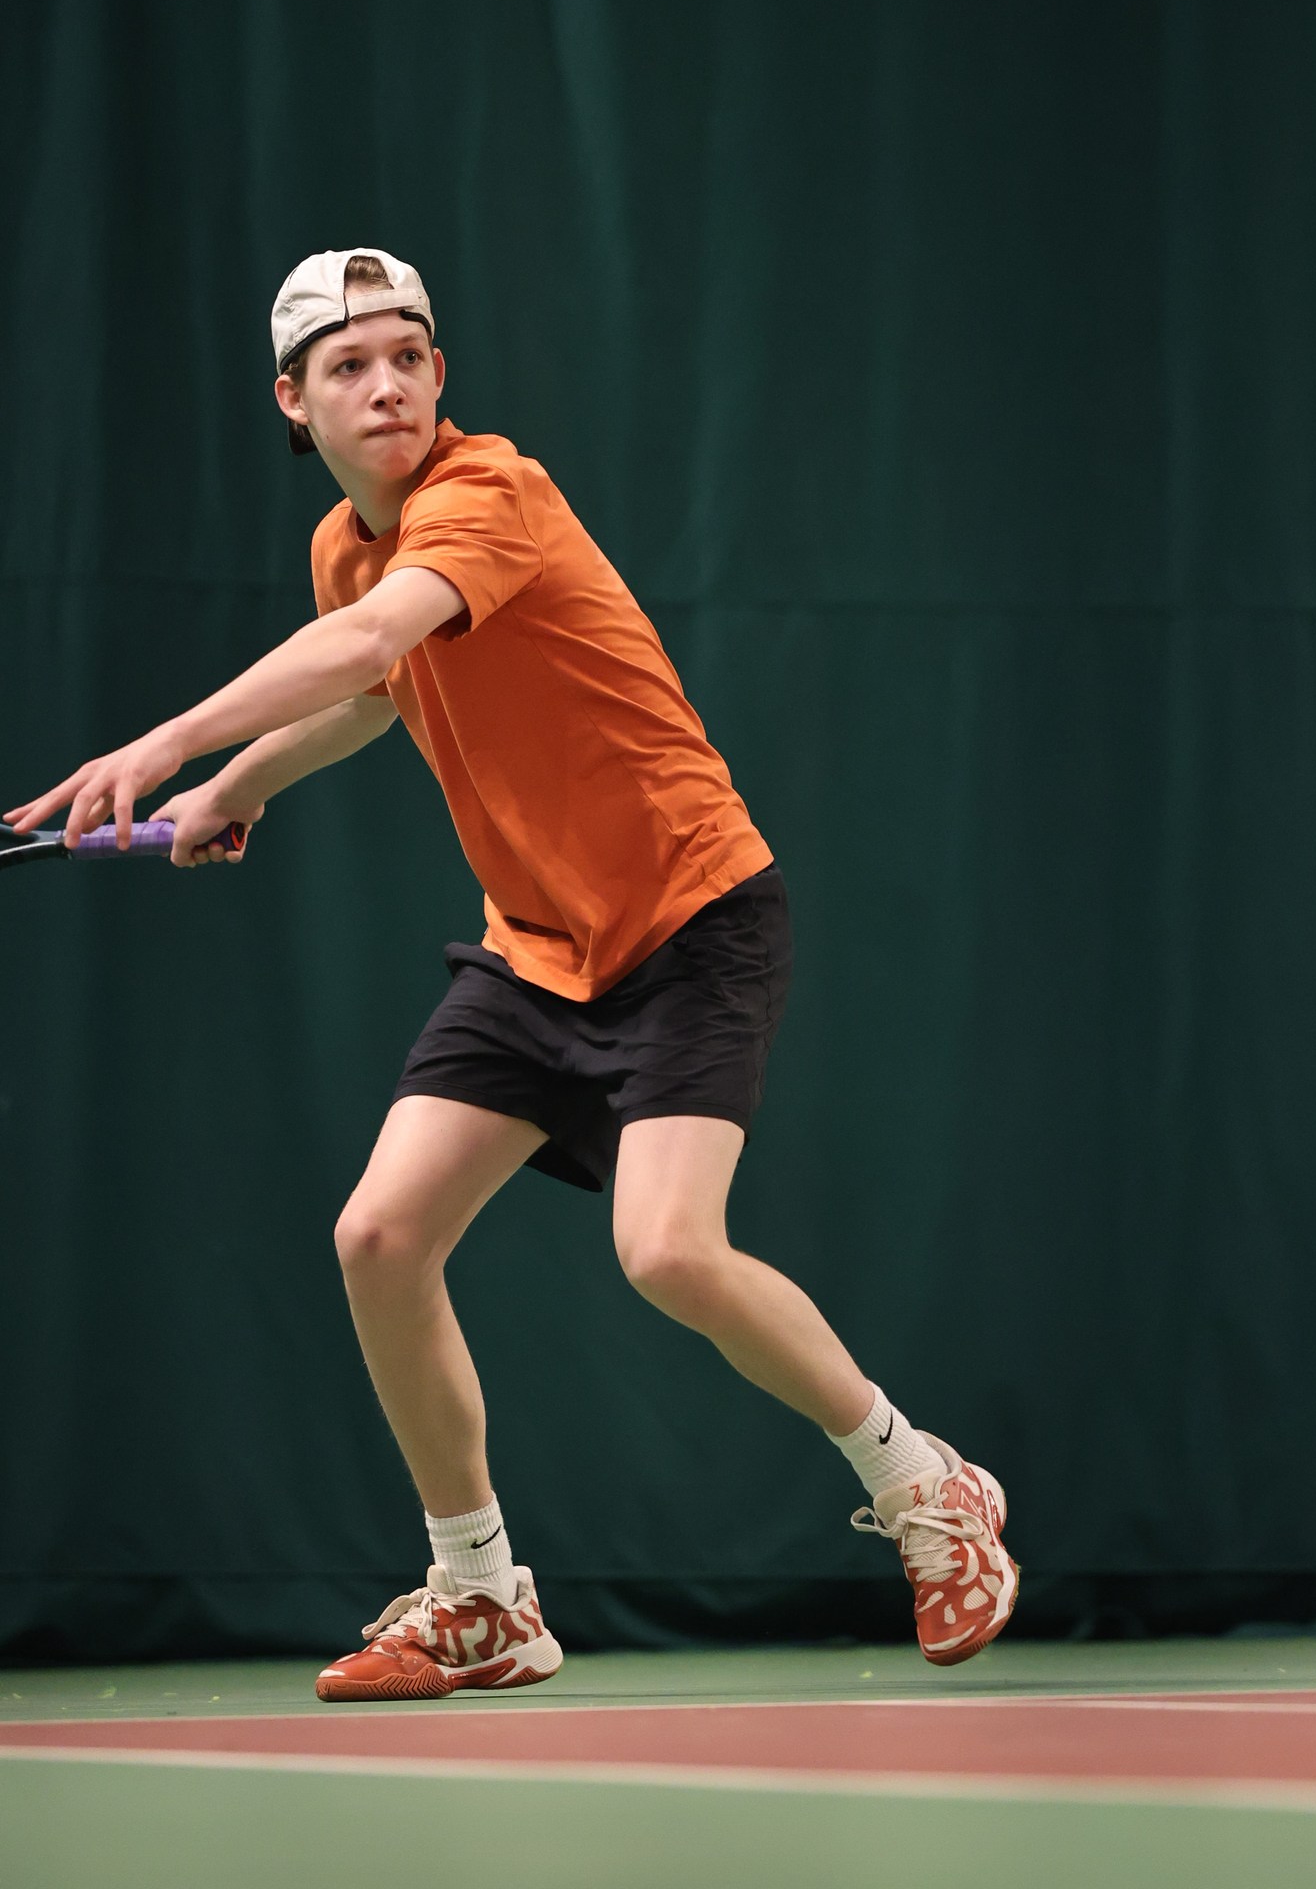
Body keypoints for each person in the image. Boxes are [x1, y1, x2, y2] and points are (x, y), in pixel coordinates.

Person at [6, 247, 1018, 1699]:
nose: (389, 386)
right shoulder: (345, 545)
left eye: (409, 356)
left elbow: (373, 637)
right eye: (350, 366)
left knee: (668, 1251)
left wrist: (165, 747)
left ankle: (924, 1480)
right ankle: (480, 1595)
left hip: (693, 917)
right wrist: (237, 786)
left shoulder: (489, 490)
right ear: (293, 401)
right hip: (536, 947)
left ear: (439, 375)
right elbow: (378, 687)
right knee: (380, 1239)